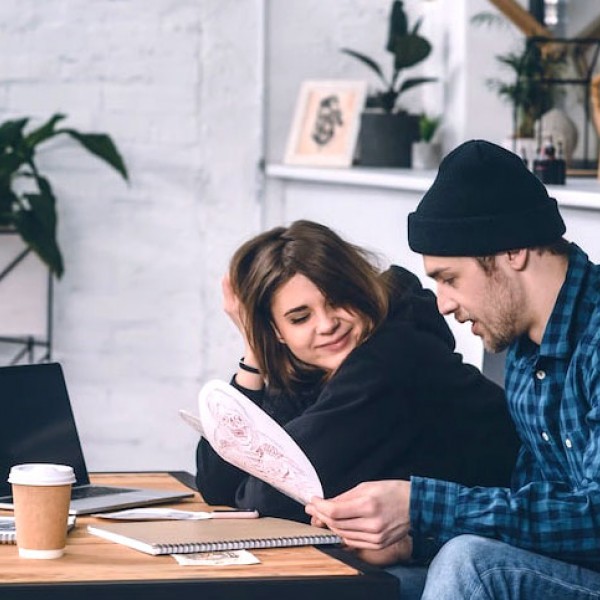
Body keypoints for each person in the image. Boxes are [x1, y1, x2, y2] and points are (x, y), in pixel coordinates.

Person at [306, 141, 600, 599]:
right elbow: (540, 515)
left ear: (513, 251)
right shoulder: (525, 351)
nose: (442, 304)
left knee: (471, 564)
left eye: (449, 278)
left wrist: (420, 507)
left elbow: (596, 515)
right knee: (376, 582)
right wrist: (413, 541)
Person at [195, 220, 519, 556]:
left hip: (501, 552)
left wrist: (252, 481)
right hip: (443, 547)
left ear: (359, 289)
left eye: (337, 300)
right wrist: (254, 353)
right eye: (300, 318)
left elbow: (267, 499)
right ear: (276, 332)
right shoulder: (316, 371)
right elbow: (217, 482)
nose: (327, 324)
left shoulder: (391, 360)